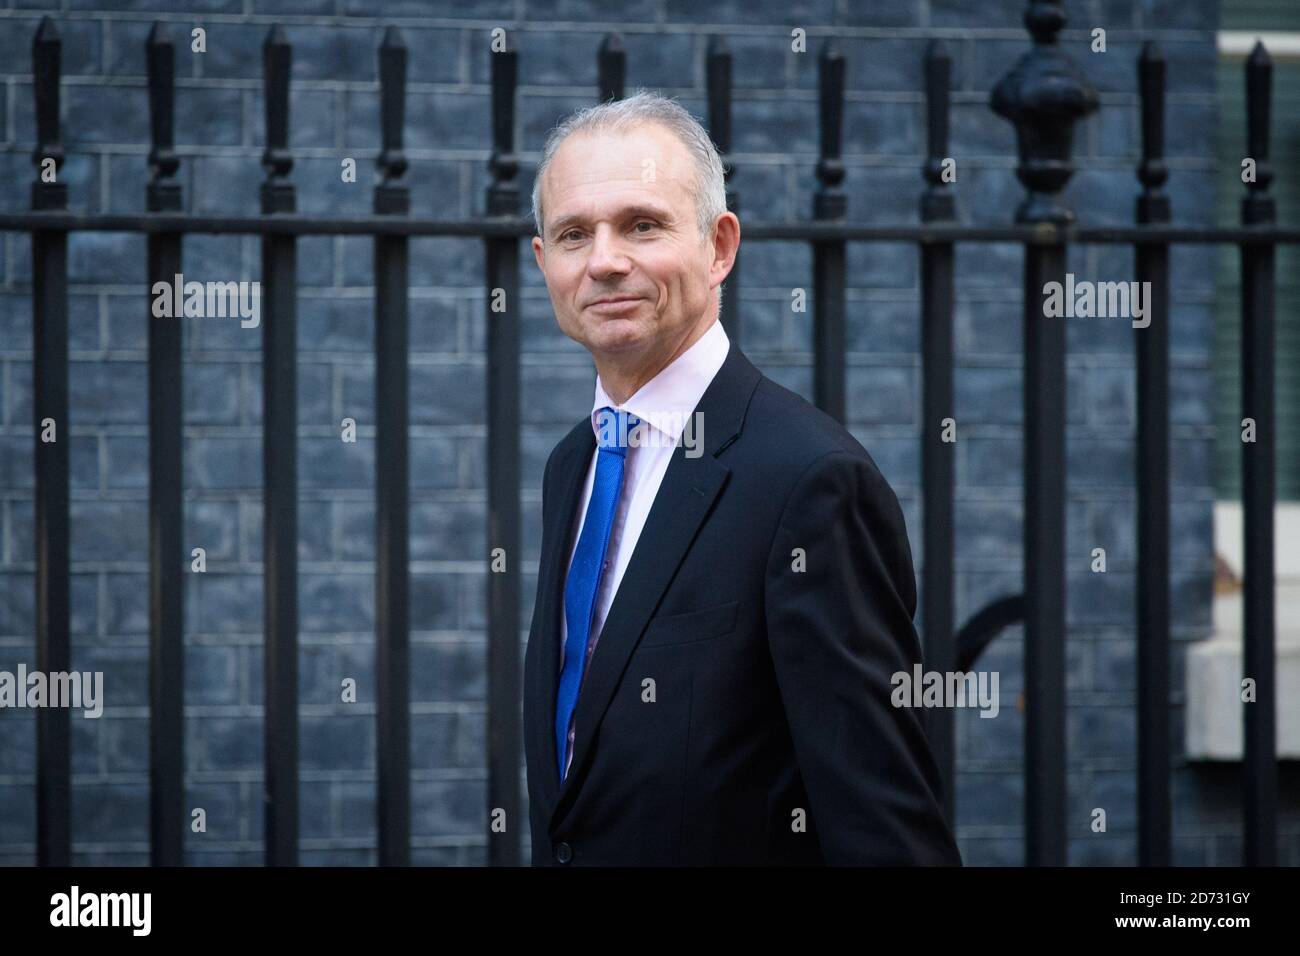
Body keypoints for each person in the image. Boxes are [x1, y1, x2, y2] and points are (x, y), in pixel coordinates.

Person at [522, 90, 961, 866]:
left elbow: (884, 825)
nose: (604, 260)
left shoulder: (810, 480)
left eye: (642, 225)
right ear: (543, 262)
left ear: (720, 246)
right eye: (573, 234)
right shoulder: (575, 464)